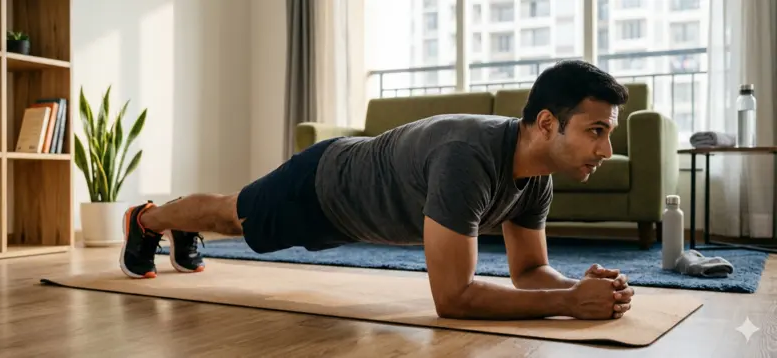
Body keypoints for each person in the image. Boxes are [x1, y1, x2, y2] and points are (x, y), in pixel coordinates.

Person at [119, 60, 635, 321]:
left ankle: (179, 229)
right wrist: (569, 301)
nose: (606, 149)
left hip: (352, 214)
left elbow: (527, 272)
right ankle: (149, 220)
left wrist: (577, 287)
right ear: (547, 123)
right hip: (323, 186)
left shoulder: (535, 179)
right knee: (232, 217)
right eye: (597, 131)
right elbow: (452, 299)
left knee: (231, 217)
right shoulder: (469, 158)